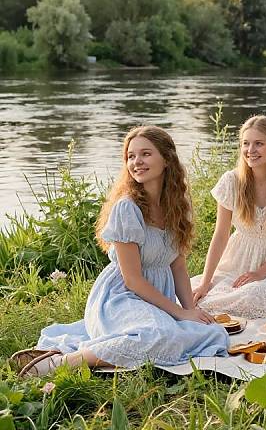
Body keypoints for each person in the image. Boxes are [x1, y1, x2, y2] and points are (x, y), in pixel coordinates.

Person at [14, 126, 228, 377]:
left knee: (213, 333)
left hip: (158, 298)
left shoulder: (177, 206)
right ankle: (60, 363)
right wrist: (178, 312)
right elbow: (133, 279)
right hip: (120, 297)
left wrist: (190, 311)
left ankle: (109, 349)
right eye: (131, 156)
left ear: (167, 158)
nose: (136, 162)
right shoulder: (127, 209)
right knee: (158, 335)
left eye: (146, 154)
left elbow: (178, 266)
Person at [192, 115, 266, 319]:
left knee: (254, 295)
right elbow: (220, 235)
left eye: (258, 144)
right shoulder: (231, 181)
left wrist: (260, 273)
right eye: (245, 144)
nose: (250, 150)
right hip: (236, 261)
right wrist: (205, 281)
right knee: (202, 297)